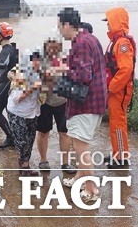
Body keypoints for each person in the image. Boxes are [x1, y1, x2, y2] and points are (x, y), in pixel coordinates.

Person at [57, 7, 107, 203]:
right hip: (94, 100)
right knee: (79, 140)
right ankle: (79, 176)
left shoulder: (81, 42)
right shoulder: (91, 38)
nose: (60, 31)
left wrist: (62, 71)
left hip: (85, 103)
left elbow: (83, 76)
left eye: (60, 26)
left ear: (68, 25)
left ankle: (91, 187)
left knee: (80, 145)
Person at [36, 38, 77, 174]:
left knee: (64, 133)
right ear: (45, 49)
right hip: (44, 102)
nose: (53, 51)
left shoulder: (65, 62)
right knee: (43, 132)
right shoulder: (38, 62)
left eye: (55, 48)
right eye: (50, 48)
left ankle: (65, 163)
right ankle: (43, 160)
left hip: (62, 102)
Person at [102, 6, 136, 169]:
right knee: (115, 123)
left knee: (118, 123)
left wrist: (112, 88)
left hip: (119, 91)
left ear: (115, 22)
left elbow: (125, 69)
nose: (107, 25)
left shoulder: (121, 43)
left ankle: (122, 157)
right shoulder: (115, 41)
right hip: (114, 89)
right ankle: (118, 151)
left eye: (109, 22)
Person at [7, 50, 43, 176]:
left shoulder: (41, 75)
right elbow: (16, 99)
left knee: (30, 140)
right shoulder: (21, 75)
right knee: (21, 141)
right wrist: (31, 88)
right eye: (35, 61)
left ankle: (24, 165)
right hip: (18, 112)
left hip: (32, 112)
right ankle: (24, 167)